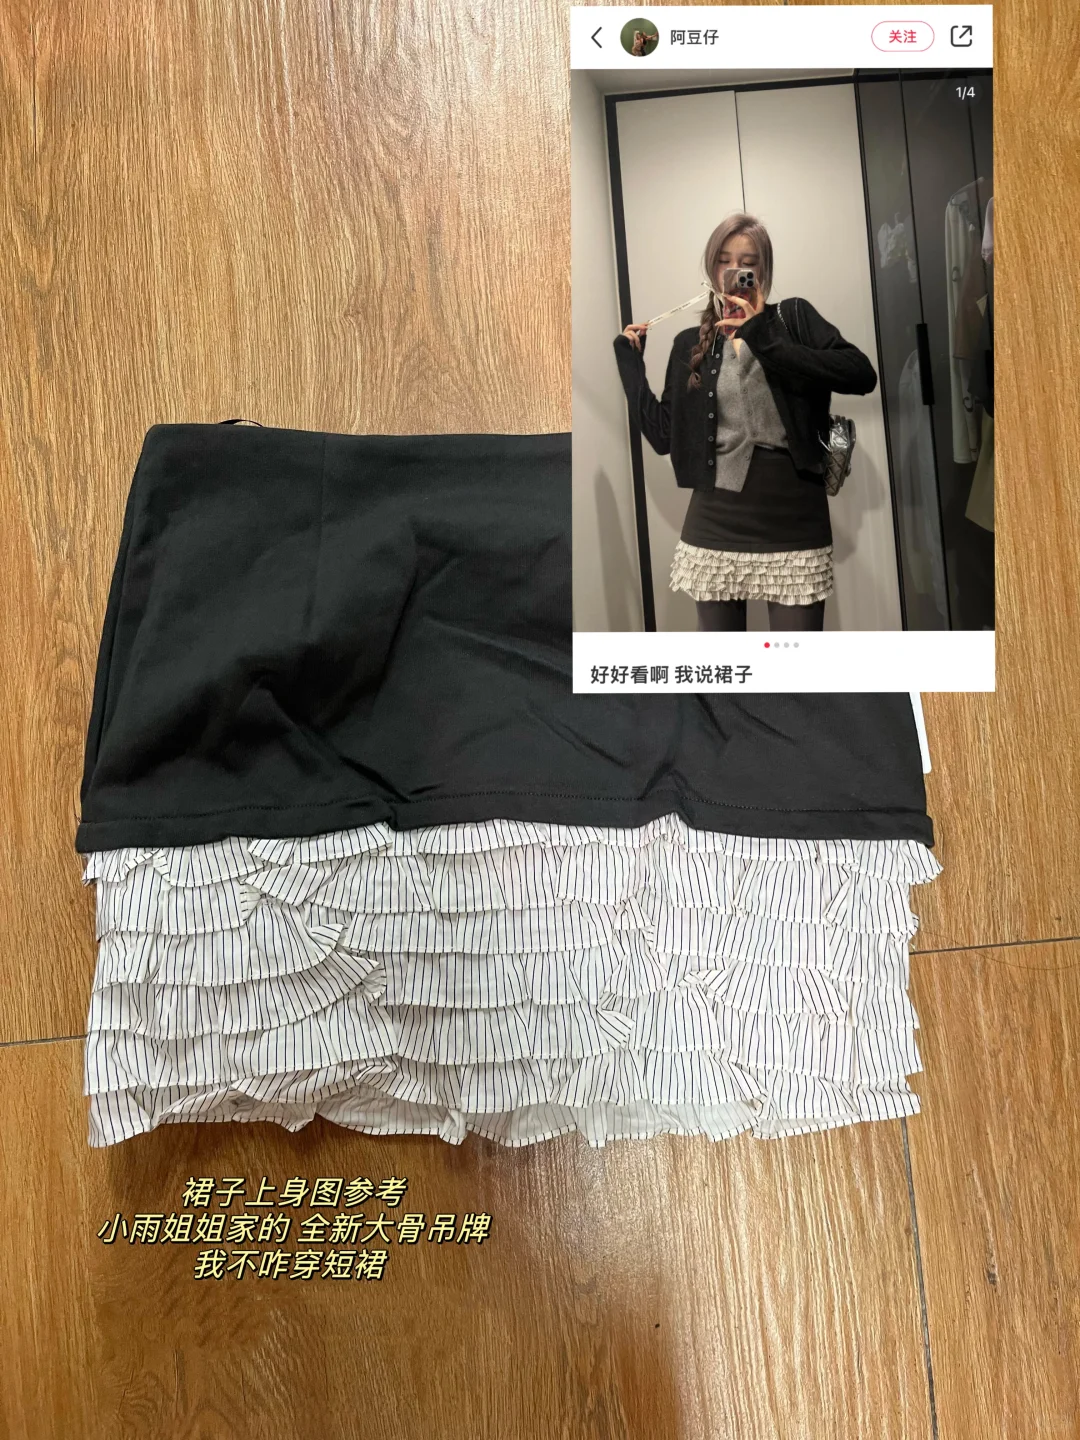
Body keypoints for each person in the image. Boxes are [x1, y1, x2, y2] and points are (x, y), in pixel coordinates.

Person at [613, 211, 877, 631]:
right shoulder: (689, 344)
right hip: (714, 522)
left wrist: (762, 335)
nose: (735, 270)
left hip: (794, 520)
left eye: (748, 262)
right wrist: (631, 368)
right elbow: (663, 436)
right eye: (724, 260)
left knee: (795, 662)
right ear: (711, 269)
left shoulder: (793, 318)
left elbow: (861, 374)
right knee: (727, 665)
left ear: (763, 269)